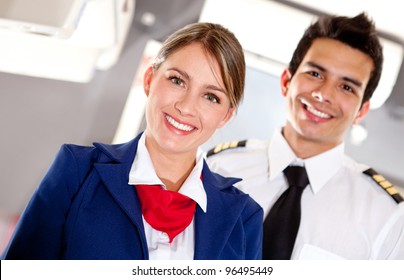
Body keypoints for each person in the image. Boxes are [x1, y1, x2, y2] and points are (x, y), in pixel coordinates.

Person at [2, 22, 263, 260]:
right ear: (149, 80)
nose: (186, 107)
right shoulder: (78, 171)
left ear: (225, 117)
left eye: (211, 97)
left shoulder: (243, 219)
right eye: (177, 80)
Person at [207, 13, 404, 259]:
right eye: (315, 74)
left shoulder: (388, 218)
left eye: (346, 87)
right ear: (286, 81)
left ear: (361, 111)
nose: (323, 94)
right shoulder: (217, 168)